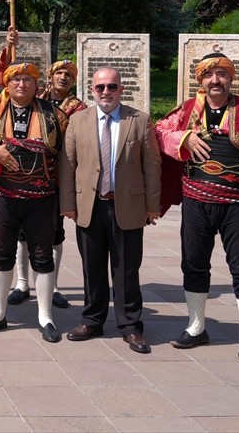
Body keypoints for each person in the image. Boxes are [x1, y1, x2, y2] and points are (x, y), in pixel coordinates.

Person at [155, 53, 239, 364]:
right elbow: (157, 131)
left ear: (230, 78)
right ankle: (196, 327)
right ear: (201, 80)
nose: (215, 80)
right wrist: (182, 138)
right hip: (196, 200)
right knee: (194, 263)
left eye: (222, 74)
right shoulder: (186, 111)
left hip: (237, 204)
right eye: (209, 74)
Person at [58, 66, 161, 355]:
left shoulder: (138, 120)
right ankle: (92, 320)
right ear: (92, 90)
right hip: (89, 206)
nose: (106, 92)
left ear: (121, 90)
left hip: (127, 206)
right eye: (100, 87)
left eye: (112, 87)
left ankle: (130, 325)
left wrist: (152, 206)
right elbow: (68, 166)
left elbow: (152, 166)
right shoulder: (78, 121)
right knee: (92, 268)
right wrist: (67, 204)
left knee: (127, 269)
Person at [0, 62, 68, 342]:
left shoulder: (54, 115)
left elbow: (66, 152)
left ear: (37, 85)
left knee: (42, 256)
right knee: (1, 254)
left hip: (42, 198)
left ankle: (45, 317)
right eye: (16, 80)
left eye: (27, 79)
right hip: (3, 197)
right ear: (7, 84)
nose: (22, 84)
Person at [0, 31, 84, 310]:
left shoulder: (77, 107)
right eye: (59, 73)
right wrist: (10, 47)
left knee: (52, 234)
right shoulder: (34, 96)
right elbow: (6, 80)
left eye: (68, 75)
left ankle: (53, 285)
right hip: (16, 182)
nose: (63, 78)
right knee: (20, 234)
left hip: (53, 179)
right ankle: (22, 283)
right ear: (49, 77)